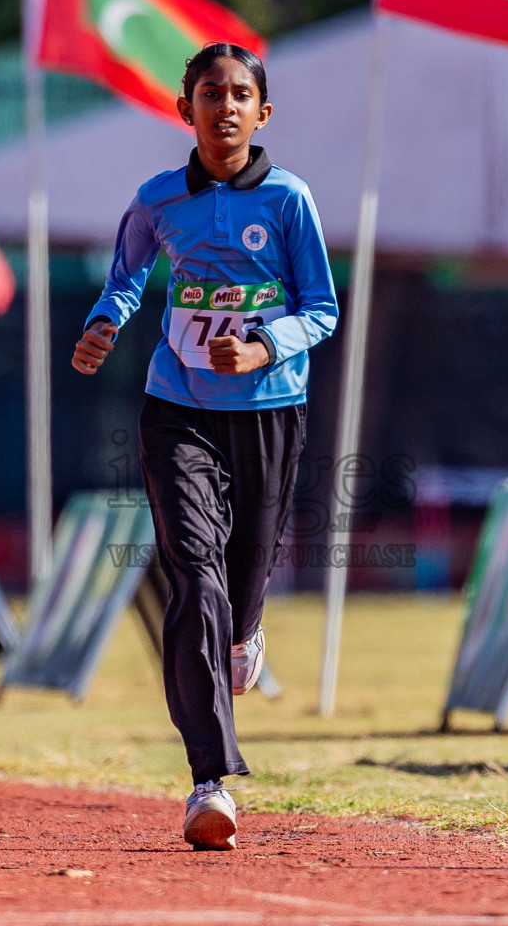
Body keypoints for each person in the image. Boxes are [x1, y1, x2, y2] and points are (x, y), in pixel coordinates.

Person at [72, 43, 338, 850]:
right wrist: (104, 323)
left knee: (240, 586)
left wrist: (264, 345)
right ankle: (208, 780)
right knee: (194, 574)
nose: (224, 107)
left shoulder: (290, 200)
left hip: (267, 411)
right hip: (176, 406)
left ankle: (246, 630)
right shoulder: (157, 201)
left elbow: (321, 308)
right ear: (183, 110)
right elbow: (125, 277)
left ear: (262, 113)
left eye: (240, 94)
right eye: (208, 93)